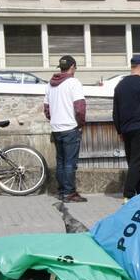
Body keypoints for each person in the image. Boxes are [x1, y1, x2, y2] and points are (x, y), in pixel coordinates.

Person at [43, 55, 87, 202]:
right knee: (70, 162)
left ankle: (62, 191)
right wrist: (80, 124)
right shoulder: (74, 83)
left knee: (61, 161)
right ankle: (69, 192)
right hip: (70, 127)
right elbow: (80, 108)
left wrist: (54, 120)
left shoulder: (50, 84)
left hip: (56, 128)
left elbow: (47, 109)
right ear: (73, 67)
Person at [112, 55, 140, 199]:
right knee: (138, 162)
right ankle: (128, 194)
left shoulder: (120, 85)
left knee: (133, 162)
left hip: (125, 129)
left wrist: (119, 130)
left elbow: (115, 111)